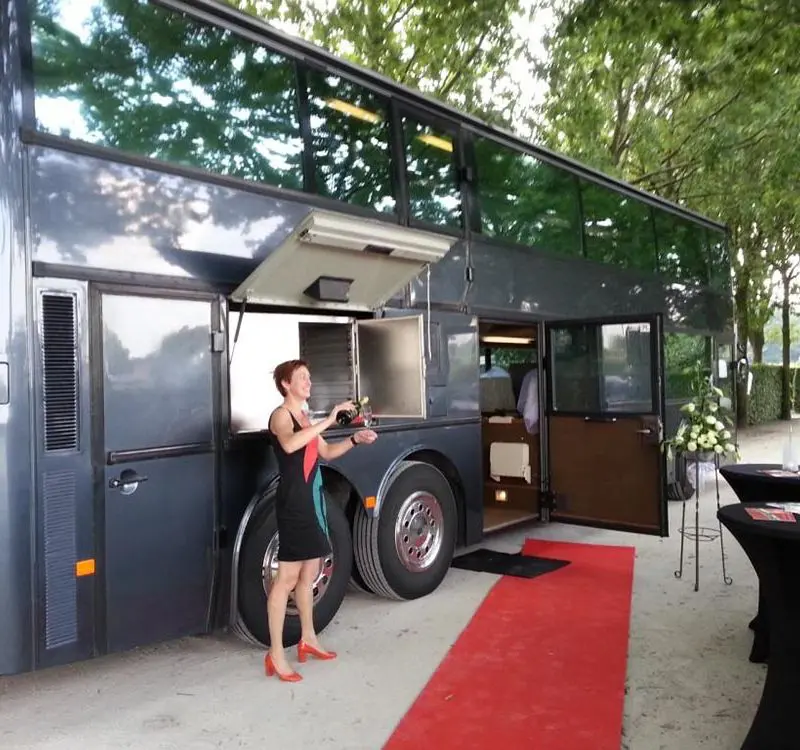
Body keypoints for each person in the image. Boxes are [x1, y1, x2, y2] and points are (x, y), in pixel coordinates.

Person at [264, 359, 377, 682]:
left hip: (313, 501)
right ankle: (275, 654)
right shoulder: (281, 416)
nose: (308, 382)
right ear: (286, 384)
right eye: (302, 377)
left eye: (309, 377)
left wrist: (354, 440)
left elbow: (325, 453)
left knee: (309, 573)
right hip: (294, 504)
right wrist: (329, 419)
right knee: (286, 579)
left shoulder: (305, 418)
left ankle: (308, 638)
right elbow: (290, 444)